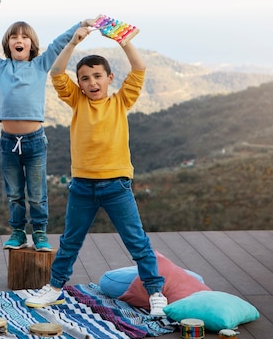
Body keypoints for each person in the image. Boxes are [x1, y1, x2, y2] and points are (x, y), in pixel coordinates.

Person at [24, 25, 168, 317]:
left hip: (117, 185)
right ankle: (54, 287)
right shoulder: (77, 101)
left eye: (98, 76)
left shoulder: (120, 101)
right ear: (79, 83)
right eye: (85, 78)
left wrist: (123, 42)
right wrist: (74, 42)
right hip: (82, 187)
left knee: (137, 241)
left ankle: (155, 292)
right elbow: (56, 72)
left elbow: (139, 68)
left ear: (109, 78)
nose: (92, 83)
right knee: (70, 241)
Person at [0, 17, 93, 252]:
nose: (19, 40)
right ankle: (18, 232)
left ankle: (39, 232)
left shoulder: (40, 64)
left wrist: (80, 23)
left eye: (24, 37)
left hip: (35, 141)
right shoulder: (0, 66)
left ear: (32, 44)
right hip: (8, 143)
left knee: (37, 193)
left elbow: (59, 42)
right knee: (15, 193)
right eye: (14, 37)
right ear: (8, 44)